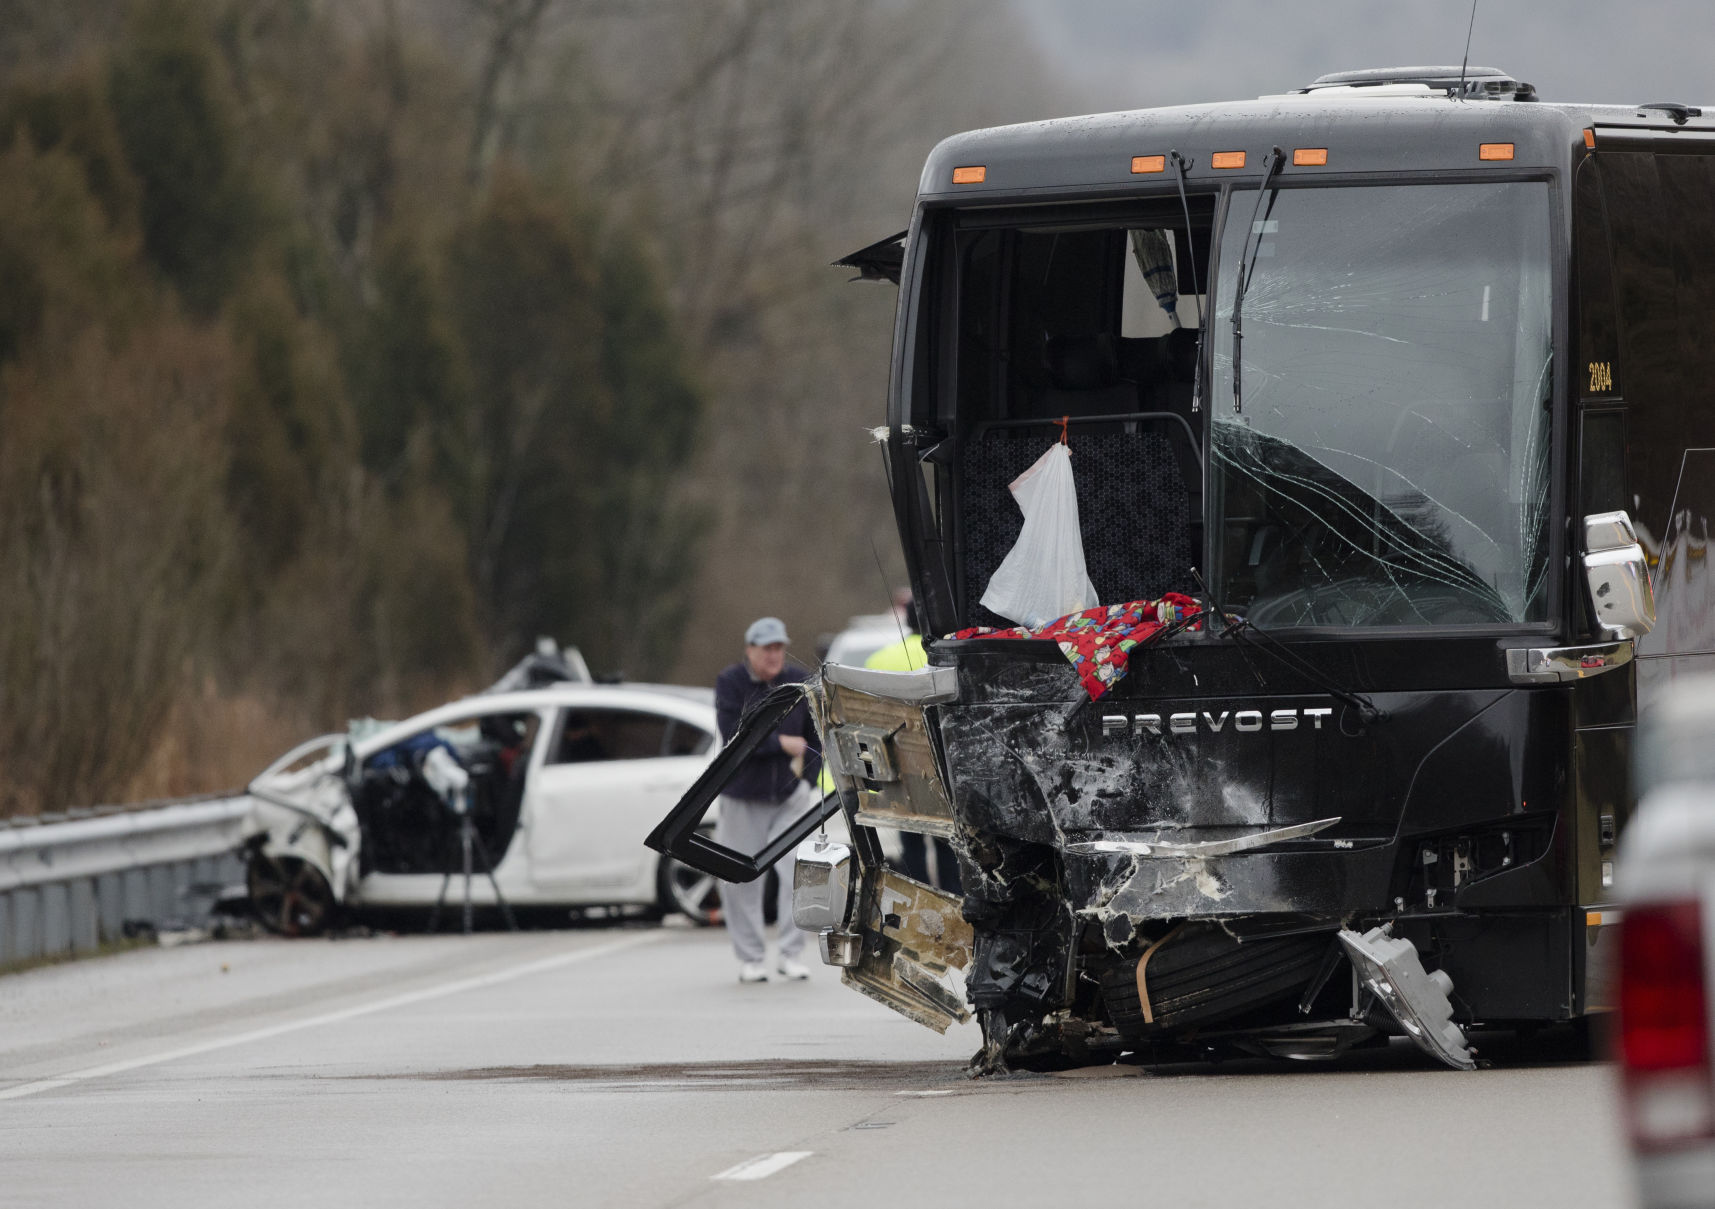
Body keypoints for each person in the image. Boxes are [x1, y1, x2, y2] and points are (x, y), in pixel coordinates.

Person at [714, 616, 823, 983]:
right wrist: (780, 745)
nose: (774, 655)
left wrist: (808, 779)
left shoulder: (797, 681)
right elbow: (733, 735)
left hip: (788, 796)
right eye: (767, 649)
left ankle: (791, 954)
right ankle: (750, 957)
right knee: (740, 877)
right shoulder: (731, 683)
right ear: (750, 650)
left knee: (798, 873)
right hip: (742, 796)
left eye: (779, 647)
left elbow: (815, 735)